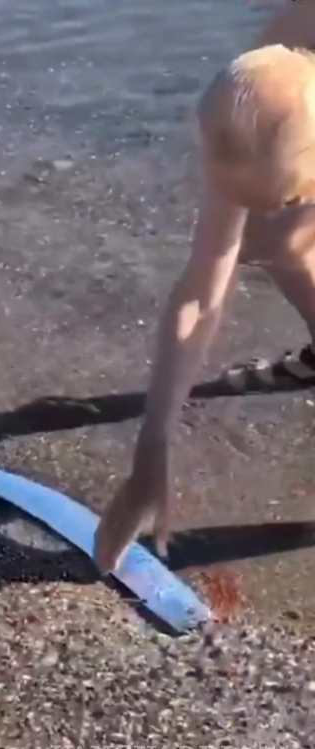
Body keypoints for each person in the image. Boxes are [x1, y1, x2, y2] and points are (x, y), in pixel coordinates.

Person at [93, 3, 315, 573]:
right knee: (271, 239)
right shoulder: (266, 82)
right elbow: (201, 290)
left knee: (283, 232)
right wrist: (152, 448)